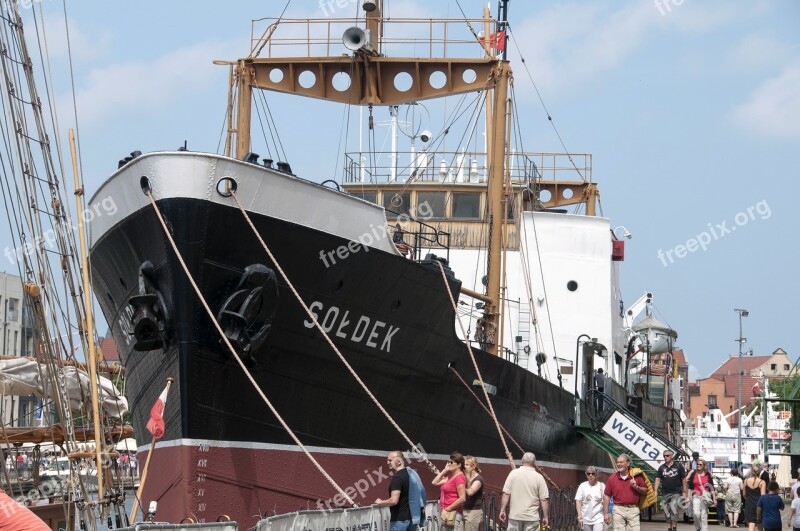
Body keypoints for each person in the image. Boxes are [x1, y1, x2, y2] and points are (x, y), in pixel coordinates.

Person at [375, 450, 425, 531]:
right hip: (411, 519)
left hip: (399, 521)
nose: (387, 462)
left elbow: (393, 501)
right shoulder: (411, 475)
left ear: (398, 462)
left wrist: (381, 502)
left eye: (390, 460)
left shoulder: (397, 478)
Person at [499, 452, 550, 531]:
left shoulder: (513, 473)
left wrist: (502, 510)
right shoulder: (539, 477)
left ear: (522, 460)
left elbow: (506, 494)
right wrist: (545, 517)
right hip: (531, 517)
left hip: (515, 516)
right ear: (534, 462)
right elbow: (544, 499)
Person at [604, 453, 647, 531]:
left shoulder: (637, 476)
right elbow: (607, 496)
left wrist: (636, 487)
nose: (618, 464)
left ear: (628, 463)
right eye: (618, 462)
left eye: (621, 462)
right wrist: (606, 513)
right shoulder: (612, 478)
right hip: (618, 509)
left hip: (633, 509)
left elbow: (645, 491)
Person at [432, 451, 467, 530]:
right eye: (448, 462)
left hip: (453, 513)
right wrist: (444, 470)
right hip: (446, 512)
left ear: (459, 464)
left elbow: (462, 498)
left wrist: (449, 508)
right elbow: (434, 482)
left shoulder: (459, 477)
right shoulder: (450, 476)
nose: (449, 464)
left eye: (451, 462)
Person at [654, 449, 687, 531]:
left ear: (671, 456)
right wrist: (655, 491)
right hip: (665, 492)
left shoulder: (678, 466)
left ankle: (674, 527)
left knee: (674, 509)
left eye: (667, 456)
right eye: (664, 456)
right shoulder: (661, 468)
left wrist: (684, 491)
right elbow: (657, 479)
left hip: (676, 492)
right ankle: (669, 528)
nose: (665, 457)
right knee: (667, 510)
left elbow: (684, 479)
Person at [685, 458, 716, 531]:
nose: (698, 465)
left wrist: (714, 498)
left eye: (700, 464)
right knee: (696, 513)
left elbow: (712, 487)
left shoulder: (708, 475)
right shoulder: (694, 474)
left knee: (704, 515)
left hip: (705, 497)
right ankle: (698, 528)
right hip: (696, 496)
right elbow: (690, 487)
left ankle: (704, 529)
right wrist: (688, 497)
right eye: (697, 464)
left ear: (704, 466)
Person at [576, 466, 605, 531]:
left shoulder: (602, 486)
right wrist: (579, 515)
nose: (590, 475)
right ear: (586, 475)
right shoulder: (582, 486)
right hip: (586, 517)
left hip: (598, 517)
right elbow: (578, 501)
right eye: (588, 474)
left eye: (593, 473)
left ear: (596, 474)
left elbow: (606, 500)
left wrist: (605, 513)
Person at [462, 456, 484, 531]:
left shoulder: (478, 479)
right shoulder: (465, 477)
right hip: (464, 509)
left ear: (473, 466)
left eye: (467, 465)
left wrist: (460, 485)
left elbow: (470, 492)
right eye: (464, 465)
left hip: (473, 512)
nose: (464, 467)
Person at [743, 464, 766, 531]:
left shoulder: (746, 481)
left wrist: (748, 499)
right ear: (759, 472)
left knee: (751, 523)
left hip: (749, 504)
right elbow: (763, 495)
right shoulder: (762, 482)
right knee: (759, 523)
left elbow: (744, 494)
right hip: (759, 505)